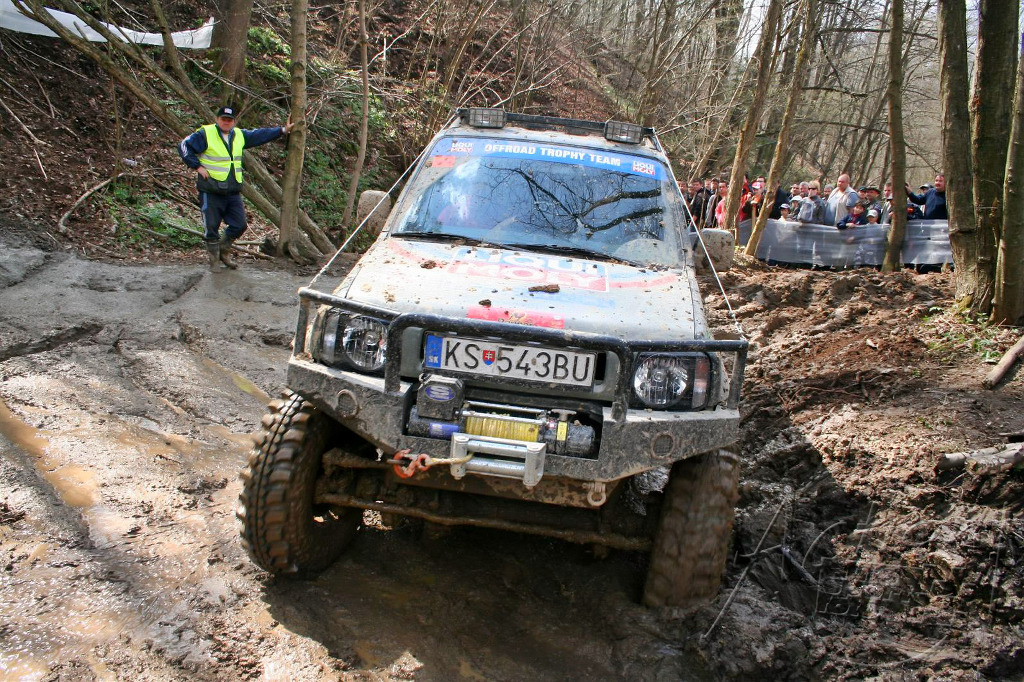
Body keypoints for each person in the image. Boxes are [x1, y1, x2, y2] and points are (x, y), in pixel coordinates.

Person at [179, 105, 294, 270]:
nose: (226, 122)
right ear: (217, 119)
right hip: (210, 190)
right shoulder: (206, 134)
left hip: (232, 190)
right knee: (211, 227)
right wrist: (197, 166)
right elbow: (184, 146)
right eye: (223, 119)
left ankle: (223, 250)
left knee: (239, 224)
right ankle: (214, 262)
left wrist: (283, 130)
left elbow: (259, 135)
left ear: (234, 121)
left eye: (229, 120)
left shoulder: (239, 135)